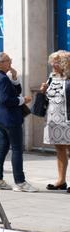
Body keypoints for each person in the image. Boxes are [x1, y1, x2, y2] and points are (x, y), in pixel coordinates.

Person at [0, 53, 34, 192]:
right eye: (8, 60)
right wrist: (23, 100)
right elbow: (6, 100)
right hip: (10, 119)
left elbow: (15, 91)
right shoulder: (1, 78)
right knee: (17, 150)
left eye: (10, 60)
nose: (10, 63)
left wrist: (15, 78)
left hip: (2, 119)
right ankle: (20, 182)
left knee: (2, 149)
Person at [41, 50, 70, 192]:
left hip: (67, 119)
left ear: (65, 64)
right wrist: (43, 90)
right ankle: (61, 180)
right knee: (59, 149)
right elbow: (49, 97)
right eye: (52, 61)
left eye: (56, 61)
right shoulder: (51, 77)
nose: (52, 64)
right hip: (53, 119)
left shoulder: (69, 78)